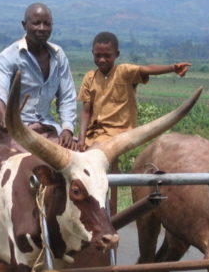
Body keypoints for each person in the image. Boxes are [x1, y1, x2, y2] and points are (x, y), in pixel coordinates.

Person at [78, 31, 191, 212]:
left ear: (117, 55)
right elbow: (85, 111)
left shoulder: (123, 72)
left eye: (107, 55)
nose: (102, 60)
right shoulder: (90, 77)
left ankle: (110, 212)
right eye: (98, 55)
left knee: (101, 162)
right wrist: (81, 139)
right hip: (95, 134)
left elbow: (146, 70)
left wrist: (172, 68)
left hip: (119, 133)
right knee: (72, 161)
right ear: (92, 53)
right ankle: (85, 209)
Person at [0, 3, 78, 149]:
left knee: (82, 159)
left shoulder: (58, 55)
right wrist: (7, 122)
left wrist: (67, 129)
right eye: (36, 23)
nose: (42, 28)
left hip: (49, 129)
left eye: (47, 24)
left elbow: (67, 97)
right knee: (27, 164)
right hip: (18, 130)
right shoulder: (8, 56)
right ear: (24, 25)